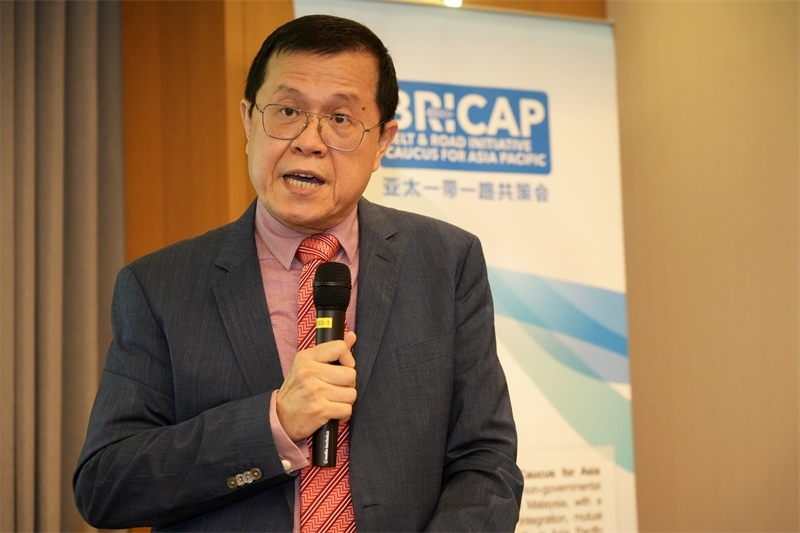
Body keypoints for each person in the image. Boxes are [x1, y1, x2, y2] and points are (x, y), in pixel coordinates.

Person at [74, 14, 523, 531]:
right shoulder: (159, 286)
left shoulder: (446, 261)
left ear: (383, 142)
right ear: (249, 120)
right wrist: (274, 423)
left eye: (341, 118)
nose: (309, 141)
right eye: (287, 111)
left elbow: (486, 461)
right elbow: (106, 486)